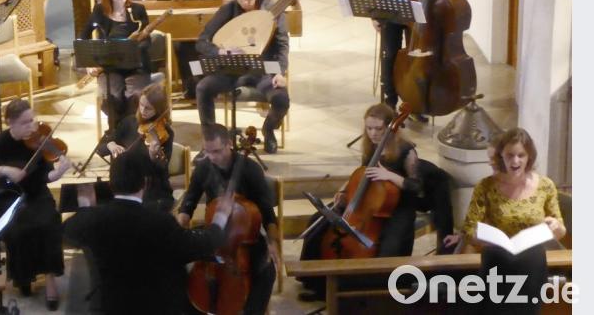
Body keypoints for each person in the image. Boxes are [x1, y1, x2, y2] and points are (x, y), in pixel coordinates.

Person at [64, 150, 233, 315]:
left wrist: (86, 208)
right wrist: (220, 217)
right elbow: (205, 244)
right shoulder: (161, 222)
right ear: (145, 183)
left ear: (110, 184)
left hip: (109, 308)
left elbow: (67, 232)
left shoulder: (92, 220)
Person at [298, 103, 423, 301]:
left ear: (390, 127)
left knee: (387, 251)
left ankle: (368, 292)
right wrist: (344, 190)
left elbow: (416, 187)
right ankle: (317, 282)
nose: (373, 133)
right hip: (369, 203)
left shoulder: (406, 151)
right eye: (369, 128)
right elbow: (363, 171)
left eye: (378, 129)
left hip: (399, 209)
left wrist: (389, 175)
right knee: (319, 221)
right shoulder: (371, 147)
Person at [443, 128, 566, 315]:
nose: (515, 161)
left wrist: (556, 228)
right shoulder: (486, 186)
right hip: (497, 257)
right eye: (510, 155)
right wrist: (480, 236)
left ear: (529, 156)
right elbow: (469, 227)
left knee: (531, 263)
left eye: (521, 155)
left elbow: (560, 229)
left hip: (531, 260)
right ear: (501, 156)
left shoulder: (545, 186)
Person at [0, 98, 74, 310]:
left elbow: (46, 176)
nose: (32, 127)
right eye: (25, 123)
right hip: (8, 196)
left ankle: (50, 280)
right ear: (10, 122)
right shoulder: (0, 142)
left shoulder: (38, 141)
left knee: (48, 223)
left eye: (32, 120)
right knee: (19, 229)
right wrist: (4, 170)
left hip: (37, 193)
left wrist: (60, 171)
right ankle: (24, 277)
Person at [177, 123, 279, 314]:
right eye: (207, 152)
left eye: (216, 151)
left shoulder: (251, 170)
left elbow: (267, 212)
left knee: (267, 269)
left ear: (229, 144)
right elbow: (189, 202)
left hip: (245, 238)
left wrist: (273, 242)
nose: (212, 157)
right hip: (212, 234)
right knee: (176, 263)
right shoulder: (203, 168)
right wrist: (179, 224)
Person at [195, 0, 289, 153]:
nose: (245, 2)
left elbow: (283, 45)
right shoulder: (228, 10)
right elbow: (201, 41)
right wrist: (220, 51)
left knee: (281, 100)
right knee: (202, 88)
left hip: (263, 71)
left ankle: (268, 129)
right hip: (231, 71)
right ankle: (210, 139)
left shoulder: (273, 11)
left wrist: (280, 72)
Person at [80, 0, 152, 132]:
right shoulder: (100, 11)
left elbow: (147, 42)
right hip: (109, 67)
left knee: (135, 96)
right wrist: (88, 63)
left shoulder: (138, 10)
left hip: (136, 66)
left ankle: (130, 133)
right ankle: (117, 134)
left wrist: (130, 47)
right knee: (111, 98)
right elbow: (83, 36)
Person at [96, 82, 174, 212]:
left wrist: (153, 155)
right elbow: (100, 148)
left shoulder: (166, 133)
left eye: (148, 108)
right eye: (141, 105)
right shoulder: (129, 122)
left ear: (159, 110)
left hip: (151, 188)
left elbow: (162, 168)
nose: (143, 111)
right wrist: (111, 145)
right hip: (124, 185)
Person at [175, 0, 225, 100]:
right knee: (181, 45)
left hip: (213, 25)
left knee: (209, 44)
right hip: (191, 23)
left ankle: (209, 86)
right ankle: (191, 87)